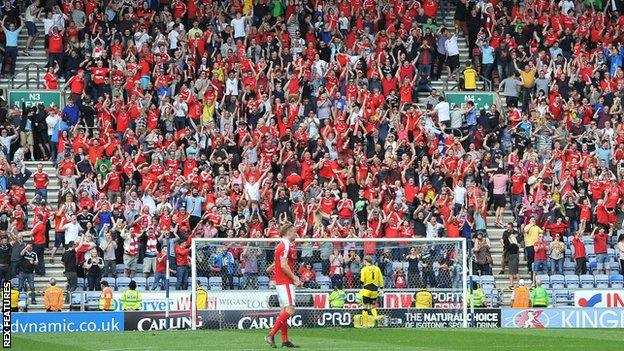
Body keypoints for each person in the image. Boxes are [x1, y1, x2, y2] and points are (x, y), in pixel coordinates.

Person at [265, 223, 300, 349]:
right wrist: (294, 278)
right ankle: (270, 334)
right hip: (285, 282)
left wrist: (270, 267)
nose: (295, 234)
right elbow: (284, 265)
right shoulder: (285, 244)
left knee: (284, 311)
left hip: (280, 282)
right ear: (288, 232)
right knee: (290, 310)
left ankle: (285, 340)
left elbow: (278, 261)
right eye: (294, 231)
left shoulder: (281, 244)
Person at [358, 255, 384, 328]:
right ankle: (375, 317)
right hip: (374, 290)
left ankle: (365, 324)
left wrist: (360, 282)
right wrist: (381, 288)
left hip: (367, 289)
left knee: (365, 308)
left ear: (366, 261)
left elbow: (362, 281)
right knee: (373, 307)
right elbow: (381, 279)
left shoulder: (364, 269)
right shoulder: (377, 268)